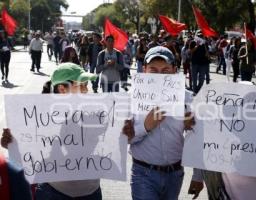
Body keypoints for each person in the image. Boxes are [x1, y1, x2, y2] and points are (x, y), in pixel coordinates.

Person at [1, 63, 102, 199]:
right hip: (53, 193)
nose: (86, 90)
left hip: (92, 193)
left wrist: (126, 135)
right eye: (82, 85)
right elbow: (28, 160)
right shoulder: (40, 118)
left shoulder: (95, 113)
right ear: (62, 89)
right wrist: (12, 145)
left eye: (87, 85)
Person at [122, 46, 203, 200]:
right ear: (144, 70)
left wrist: (198, 176)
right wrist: (146, 126)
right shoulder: (130, 99)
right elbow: (124, 139)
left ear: (174, 70)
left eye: (165, 70)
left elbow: (199, 139)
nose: (159, 76)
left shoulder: (188, 99)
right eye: (153, 70)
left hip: (175, 174)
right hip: (143, 174)